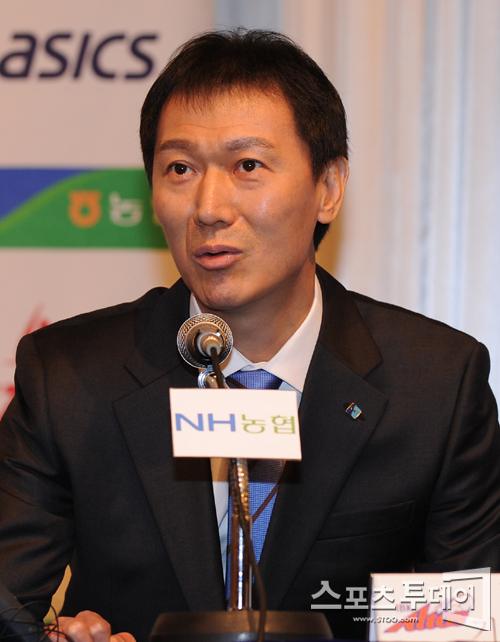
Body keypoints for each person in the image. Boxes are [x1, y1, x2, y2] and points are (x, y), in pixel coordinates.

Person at [1, 28, 500, 642]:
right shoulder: (70, 377)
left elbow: (460, 626)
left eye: (248, 166)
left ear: (328, 188)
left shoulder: (436, 386)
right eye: (180, 168)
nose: (209, 207)